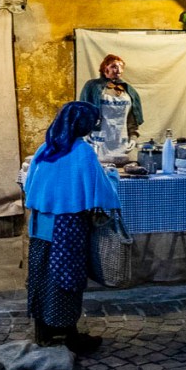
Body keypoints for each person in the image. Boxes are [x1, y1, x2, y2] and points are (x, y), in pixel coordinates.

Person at [22, 101, 121, 352]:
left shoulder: (45, 149)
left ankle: (43, 332)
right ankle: (68, 333)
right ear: (82, 124)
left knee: (42, 275)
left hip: (40, 225)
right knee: (67, 279)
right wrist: (112, 177)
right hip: (67, 225)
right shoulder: (82, 151)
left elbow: (29, 186)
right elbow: (98, 190)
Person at [78, 54, 144, 162]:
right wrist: (85, 134)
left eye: (121, 67)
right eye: (114, 66)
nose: (119, 70)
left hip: (122, 142)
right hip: (98, 142)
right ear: (105, 68)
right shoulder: (92, 87)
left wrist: (133, 138)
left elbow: (132, 119)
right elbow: (83, 114)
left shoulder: (128, 90)